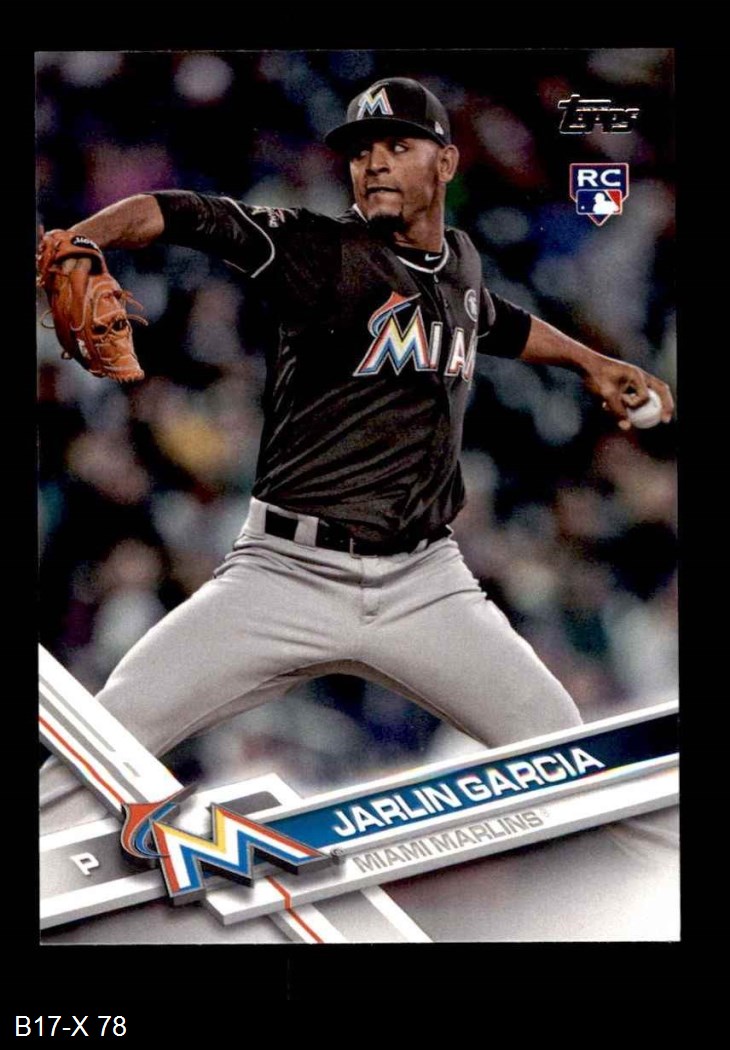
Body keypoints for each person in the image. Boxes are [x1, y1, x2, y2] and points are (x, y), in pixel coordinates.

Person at [40, 77, 674, 826]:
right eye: (360, 151)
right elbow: (182, 214)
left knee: (565, 760)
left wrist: (590, 362)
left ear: (445, 163)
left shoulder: (461, 263)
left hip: (424, 583)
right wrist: (85, 239)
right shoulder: (319, 250)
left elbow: (492, 319)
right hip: (285, 575)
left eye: (397, 146)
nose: (373, 163)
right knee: (104, 748)